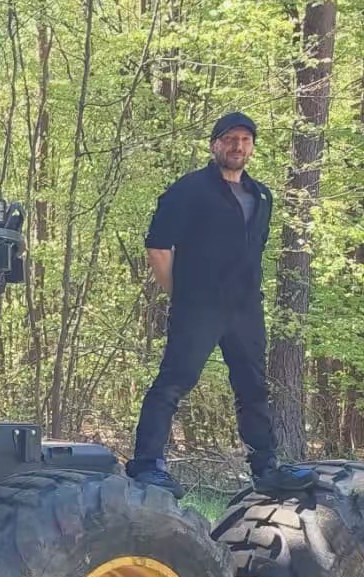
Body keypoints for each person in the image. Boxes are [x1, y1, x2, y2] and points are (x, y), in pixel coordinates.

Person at [125, 112, 319, 499]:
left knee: (253, 389)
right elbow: (158, 246)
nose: (237, 147)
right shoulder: (189, 190)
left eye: (245, 140)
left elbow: (253, 252)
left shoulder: (261, 196)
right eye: (230, 139)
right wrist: (183, 295)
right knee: (173, 383)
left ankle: (266, 470)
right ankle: (147, 465)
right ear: (215, 144)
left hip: (246, 310)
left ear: (252, 148)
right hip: (199, 307)